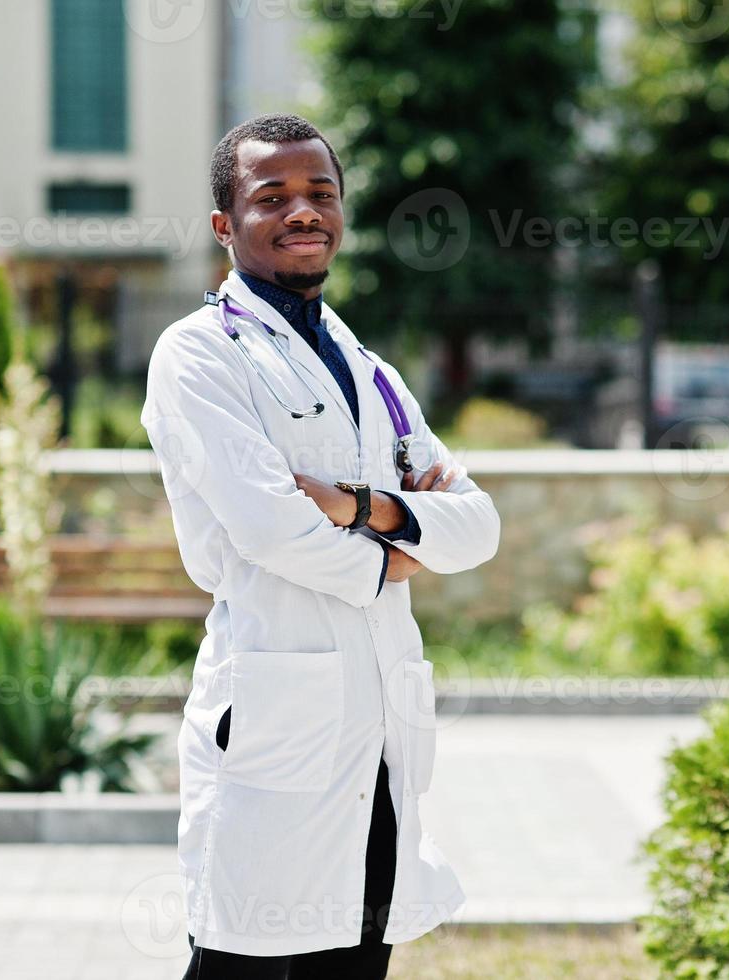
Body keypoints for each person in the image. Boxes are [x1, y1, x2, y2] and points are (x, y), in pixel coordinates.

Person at [139, 113, 502, 979]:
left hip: (379, 727)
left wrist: (360, 507)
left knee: (357, 958)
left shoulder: (367, 365)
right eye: (273, 197)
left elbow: (478, 524)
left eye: (320, 193)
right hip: (274, 716)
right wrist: (400, 552)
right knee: (242, 960)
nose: (302, 211)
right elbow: (269, 529)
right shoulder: (198, 355)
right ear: (226, 224)